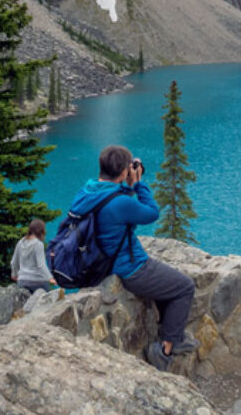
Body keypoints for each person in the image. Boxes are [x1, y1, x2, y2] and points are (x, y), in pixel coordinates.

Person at [68, 144, 198, 372]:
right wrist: (138, 183)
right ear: (123, 172)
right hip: (132, 269)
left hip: (101, 265)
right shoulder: (120, 201)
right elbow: (151, 213)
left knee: (169, 284)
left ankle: (169, 332)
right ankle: (165, 349)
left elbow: (115, 213)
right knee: (185, 286)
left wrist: (126, 185)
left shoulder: (88, 191)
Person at [11, 219, 56, 293]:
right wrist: (50, 278)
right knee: (45, 302)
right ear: (41, 231)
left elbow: (13, 262)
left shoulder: (20, 242)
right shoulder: (38, 244)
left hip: (22, 281)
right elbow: (41, 265)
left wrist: (14, 274)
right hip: (38, 282)